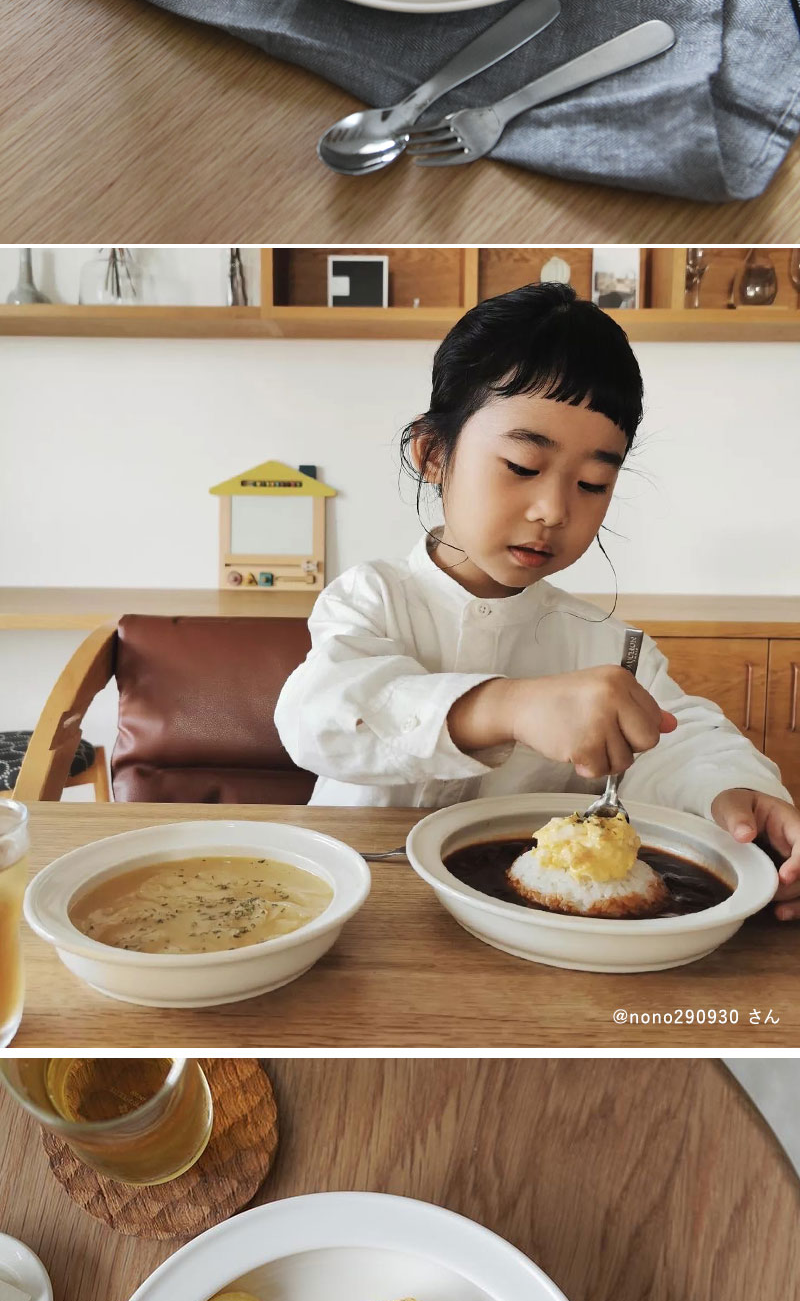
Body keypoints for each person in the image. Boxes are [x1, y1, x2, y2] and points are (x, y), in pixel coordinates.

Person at [275, 283, 800, 919]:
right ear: (433, 454)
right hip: (359, 908)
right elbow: (318, 715)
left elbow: (682, 740)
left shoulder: (605, 643)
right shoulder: (372, 597)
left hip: (534, 927)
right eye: (523, 466)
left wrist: (739, 794)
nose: (554, 510)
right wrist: (509, 707)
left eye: (592, 483)